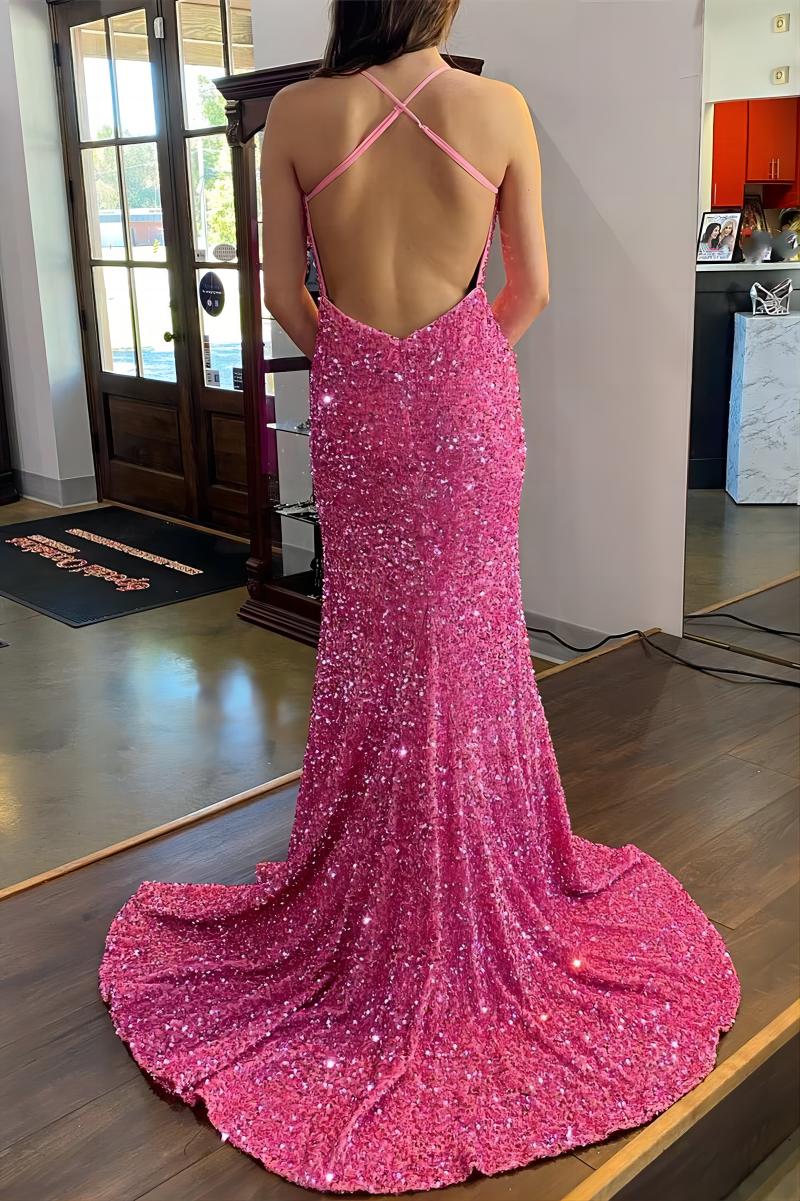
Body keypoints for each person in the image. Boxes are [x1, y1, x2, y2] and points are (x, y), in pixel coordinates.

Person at [98, 1, 740, 1193]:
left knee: (372, 645)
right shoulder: (495, 108)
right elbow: (529, 288)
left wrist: (364, 359)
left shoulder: (296, 113)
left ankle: (378, 882)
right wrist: (446, 360)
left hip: (355, 411)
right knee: (471, 641)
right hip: (463, 410)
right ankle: (470, 880)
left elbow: (283, 297)